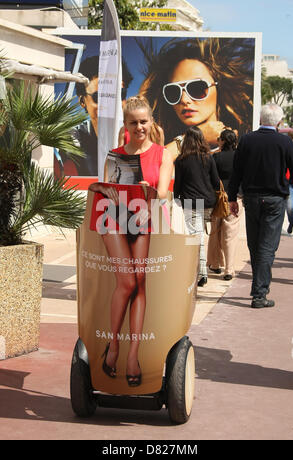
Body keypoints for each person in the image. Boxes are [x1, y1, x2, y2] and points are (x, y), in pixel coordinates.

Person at [90, 96, 173, 386]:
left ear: (151, 122)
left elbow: (163, 192)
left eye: (143, 121)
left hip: (144, 215)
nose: (139, 127)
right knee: (126, 282)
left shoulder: (163, 154)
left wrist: (149, 190)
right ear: (125, 125)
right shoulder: (115, 154)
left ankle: (132, 355)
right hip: (114, 217)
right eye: (133, 122)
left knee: (139, 283)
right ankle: (113, 344)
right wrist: (101, 186)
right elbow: (106, 186)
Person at [228, 103, 293, 309]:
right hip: (275, 200)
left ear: (260, 120)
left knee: (255, 244)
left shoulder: (247, 140)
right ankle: (259, 293)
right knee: (267, 247)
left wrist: (232, 197)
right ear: (280, 122)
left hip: (251, 198)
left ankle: (260, 287)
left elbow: (237, 172)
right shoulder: (284, 142)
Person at [138, 37, 254, 160]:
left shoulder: (243, 140)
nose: (184, 99)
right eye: (173, 92)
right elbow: (148, 164)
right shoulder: (161, 143)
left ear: (217, 88)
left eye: (197, 88)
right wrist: (196, 136)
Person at [173, 126, 220, 287]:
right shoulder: (207, 157)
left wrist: (177, 199)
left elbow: (177, 185)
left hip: (191, 202)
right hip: (207, 201)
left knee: (195, 237)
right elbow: (215, 181)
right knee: (198, 235)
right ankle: (198, 271)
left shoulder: (181, 160)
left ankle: (200, 273)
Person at [207, 129, 244, 280]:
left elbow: (211, 176)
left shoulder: (216, 157)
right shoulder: (240, 157)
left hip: (218, 198)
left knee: (215, 231)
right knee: (230, 234)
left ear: (222, 140)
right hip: (235, 198)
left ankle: (214, 264)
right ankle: (229, 269)